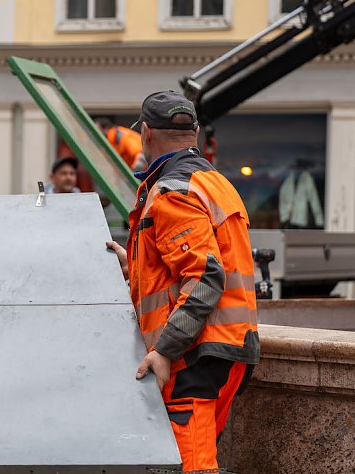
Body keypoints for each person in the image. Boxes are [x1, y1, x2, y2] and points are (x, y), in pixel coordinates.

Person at [105, 91, 259, 472]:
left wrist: (165, 350)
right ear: (195, 132)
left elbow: (205, 275)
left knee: (190, 465)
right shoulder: (215, 183)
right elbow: (193, 261)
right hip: (227, 348)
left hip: (193, 355)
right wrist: (134, 265)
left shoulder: (171, 190)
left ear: (146, 133)